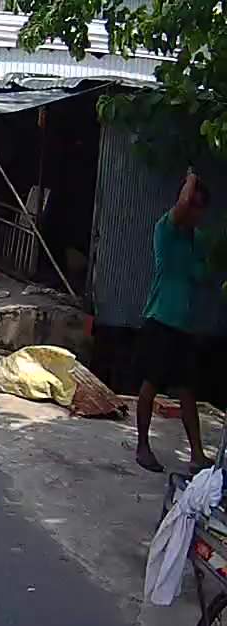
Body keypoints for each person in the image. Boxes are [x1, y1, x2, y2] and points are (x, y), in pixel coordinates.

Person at [135, 169, 214, 474]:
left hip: (183, 325)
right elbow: (180, 206)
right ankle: (143, 446)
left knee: (186, 390)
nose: (194, 210)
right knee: (150, 384)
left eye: (199, 206)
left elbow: (203, 276)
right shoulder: (166, 229)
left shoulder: (198, 241)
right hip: (160, 319)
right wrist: (192, 175)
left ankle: (197, 454)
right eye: (192, 203)